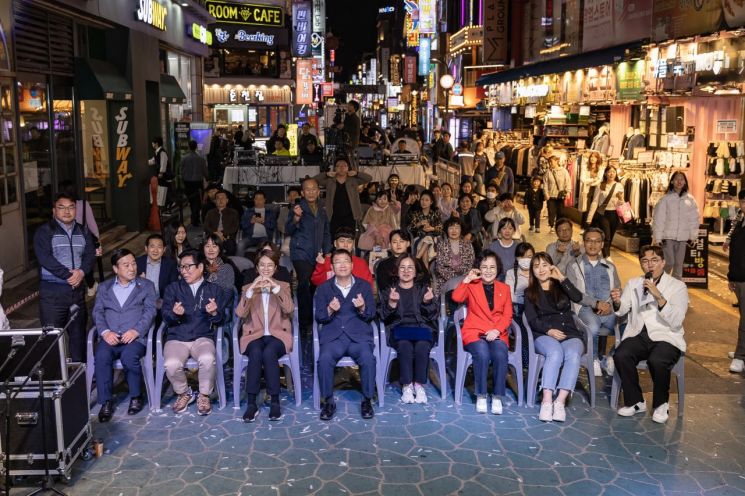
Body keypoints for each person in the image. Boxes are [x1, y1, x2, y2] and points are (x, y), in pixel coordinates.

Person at [611, 245, 688, 424]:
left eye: (654, 260)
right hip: (640, 334)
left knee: (657, 360)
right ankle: (636, 401)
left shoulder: (678, 286)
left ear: (663, 262)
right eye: (645, 261)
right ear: (641, 264)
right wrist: (616, 302)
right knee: (621, 354)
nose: (650, 265)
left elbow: (676, 321)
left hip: (666, 336)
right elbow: (622, 310)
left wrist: (659, 296)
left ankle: (661, 404)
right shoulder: (634, 283)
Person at [93, 248, 157, 422]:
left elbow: (150, 312)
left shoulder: (146, 286)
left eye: (134, 263)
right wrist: (105, 332)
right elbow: (98, 312)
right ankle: (106, 401)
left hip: (134, 338)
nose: (132, 268)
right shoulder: (105, 287)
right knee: (102, 356)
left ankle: (136, 396)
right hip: (110, 337)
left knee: (130, 357)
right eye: (126, 265)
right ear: (115, 269)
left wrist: (136, 330)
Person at [162, 250, 228, 415]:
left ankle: (204, 394)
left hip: (202, 337)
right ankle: (185, 393)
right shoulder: (173, 289)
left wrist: (214, 313)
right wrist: (174, 314)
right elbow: (165, 317)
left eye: (188, 267)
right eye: (181, 267)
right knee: (171, 364)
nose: (184, 271)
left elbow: (222, 320)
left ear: (200, 267)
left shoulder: (214, 290)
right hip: (177, 338)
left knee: (207, 358)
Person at [314, 249, 377, 420]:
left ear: (352, 264)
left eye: (345, 261)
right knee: (324, 359)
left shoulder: (364, 286)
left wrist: (363, 307)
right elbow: (319, 316)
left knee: (368, 358)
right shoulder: (323, 288)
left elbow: (371, 314)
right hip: (334, 337)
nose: (342, 265)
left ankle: (367, 400)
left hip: (359, 337)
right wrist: (329, 309)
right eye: (337, 261)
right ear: (332, 266)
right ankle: (328, 401)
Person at [34, 192, 95, 362]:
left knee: (78, 338)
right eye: (62, 208)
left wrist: (81, 272)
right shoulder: (44, 232)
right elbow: (45, 258)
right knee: (52, 339)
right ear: (54, 211)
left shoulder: (83, 230)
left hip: (76, 293)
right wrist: (69, 275)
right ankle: (56, 381)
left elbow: (90, 254)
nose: (67, 211)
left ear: (76, 210)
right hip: (52, 294)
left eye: (71, 207)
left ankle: (79, 380)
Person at [523, 252, 584, 422]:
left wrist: (562, 278)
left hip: (569, 332)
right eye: (536, 266)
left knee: (573, 354)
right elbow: (532, 319)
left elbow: (578, 298)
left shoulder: (561, 286)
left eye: (544, 265)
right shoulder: (529, 292)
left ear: (551, 266)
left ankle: (560, 402)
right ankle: (547, 401)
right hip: (544, 334)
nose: (541, 269)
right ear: (532, 271)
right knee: (555, 353)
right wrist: (549, 330)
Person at [235, 249, 295, 422]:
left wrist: (275, 288)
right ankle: (252, 403)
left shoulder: (282, 286)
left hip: (278, 335)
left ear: (275, 268)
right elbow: (240, 313)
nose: (266, 269)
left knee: (269, 352)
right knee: (255, 352)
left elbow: (289, 309)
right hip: (254, 335)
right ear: (257, 267)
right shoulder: (248, 288)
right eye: (262, 265)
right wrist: (252, 290)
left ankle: (275, 400)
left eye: (270, 265)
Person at [452, 250, 513, 414]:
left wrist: (497, 330)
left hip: (496, 332)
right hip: (474, 331)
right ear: (478, 268)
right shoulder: (472, 285)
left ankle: (498, 396)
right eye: (484, 266)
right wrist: (467, 279)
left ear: (498, 268)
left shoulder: (505, 288)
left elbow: (508, 315)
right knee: (483, 353)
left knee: (500, 353)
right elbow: (457, 298)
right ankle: (481, 395)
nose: (488, 270)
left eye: (492, 267)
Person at [378, 255, 439, 404]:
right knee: (405, 346)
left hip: (421, 329)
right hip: (398, 330)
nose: (406, 271)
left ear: (415, 271)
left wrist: (427, 302)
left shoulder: (423, 289)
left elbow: (434, 315)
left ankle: (418, 385)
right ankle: (406, 385)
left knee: (422, 346)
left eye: (410, 267)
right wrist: (391, 304)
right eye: (402, 268)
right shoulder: (389, 290)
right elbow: (382, 316)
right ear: (397, 271)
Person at [566, 228, 621, 377]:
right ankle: (594, 358)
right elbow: (575, 293)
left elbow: (617, 289)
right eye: (589, 240)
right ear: (584, 243)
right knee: (593, 326)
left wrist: (612, 303)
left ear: (602, 244)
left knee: (626, 324)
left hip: (608, 308)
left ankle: (611, 356)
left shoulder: (610, 266)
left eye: (597, 241)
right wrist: (596, 304)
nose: (593, 244)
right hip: (584, 308)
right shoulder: (574, 265)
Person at [286, 178, 331, 332]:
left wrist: (327, 250)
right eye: (307, 189)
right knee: (304, 281)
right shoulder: (297, 208)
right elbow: (288, 230)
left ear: (318, 191)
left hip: (317, 253)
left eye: (314, 189)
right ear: (302, 192)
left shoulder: (323, 209)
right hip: (300, 252)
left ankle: (314, 313)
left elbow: (326, 232)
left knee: (315, 284)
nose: (311, 192)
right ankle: (305, 323)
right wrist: (296, 218)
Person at [652, 171, 700, 280]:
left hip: (682, 238)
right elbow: (659, 219)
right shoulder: (665, 199)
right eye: (677, 179)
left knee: (678, 265)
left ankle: (675, 291)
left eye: (682, 179)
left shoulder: (690, 200)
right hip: (667, 237)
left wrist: (693, 236)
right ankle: (659, 283)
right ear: (672, 181)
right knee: (669, 262)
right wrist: (658, 237)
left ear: (685, 182)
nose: (679, 181)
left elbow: (694, 220)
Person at [314, 158, 373, 237]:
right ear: (335, 168)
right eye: (339, 166)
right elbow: (314, 180)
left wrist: (357, 173)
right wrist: (326, 174)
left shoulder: (353, 180)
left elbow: (369, 178)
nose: (341, 168)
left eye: (344, 166)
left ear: (348, 168)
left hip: (351, 214)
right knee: (333, 236)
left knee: (350, 236)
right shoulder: (330, 180)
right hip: (333, 214)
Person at [587, 165, 625, 258]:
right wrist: (589, 217)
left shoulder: (619, 186)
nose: (611, 174)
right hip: (603, 214)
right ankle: (607, 256)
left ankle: (603, 251)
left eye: (613, 172)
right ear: (605, 173)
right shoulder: (601, 185)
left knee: (610, 236)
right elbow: (595, 201)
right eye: (609, 172)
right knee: (606, 236)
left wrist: (620, 198)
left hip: (615, 214)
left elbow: (622, 203)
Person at [726, 190, 745, 373]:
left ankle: (741, 356)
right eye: (743, 201)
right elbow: (736, 251)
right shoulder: (740, 221)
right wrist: (731, 276)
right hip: (738, 277)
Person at [432, 217, 475, 297]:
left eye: (457, 228)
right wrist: (454, 280)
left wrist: (462, 280)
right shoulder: (441, 245)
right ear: (447, 230)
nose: (454, 231)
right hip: (446, 281)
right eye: (451, 228)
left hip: (465, 280)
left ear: (461, 230)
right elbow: (440, 267)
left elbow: (471, 264)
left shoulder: (467, 245)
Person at [136, 234, 179, 308]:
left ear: (164, 249)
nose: (155, 250)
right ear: (146, 248)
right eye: (152, 246)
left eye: (159, 247)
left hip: (161, 305)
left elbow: (173, 287)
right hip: (140, 305)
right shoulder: (137, 263)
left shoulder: (170, 264)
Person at [238, 190, 278, 255]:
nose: (258, 201)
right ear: (254, 200)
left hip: (265, 237)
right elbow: (242, 226)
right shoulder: (248, 212)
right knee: (240, 244)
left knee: (264, 247)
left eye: (261, 199)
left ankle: (262, 263)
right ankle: (239, 264)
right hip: (250, 237)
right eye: (256, 199)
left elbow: (273, 226)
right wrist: (251, 222)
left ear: (264, 200)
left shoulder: (270, 212)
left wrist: (263, 221)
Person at [204, 189, 240, 256]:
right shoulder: (210, 213)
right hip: (213, 237)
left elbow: (235, 227)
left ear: (227, 200)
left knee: (231, 248)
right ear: (215, 201)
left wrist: (222, 234)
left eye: (223, 198)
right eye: (218, 198)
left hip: (227, 237)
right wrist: (215, 233)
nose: (220, 200)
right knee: (204, 248)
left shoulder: (234, 213)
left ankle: (228, 264)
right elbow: (206, 226)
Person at [181, 140, 208, 227]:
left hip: (187, 183)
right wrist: (208, 178)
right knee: (197, 202)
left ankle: (194, 217)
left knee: (191, 200)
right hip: (198, 183)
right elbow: (205, 172)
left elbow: (182, 171)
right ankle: (195, 218)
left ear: (188, 147)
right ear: (196, 147)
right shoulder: (201, 159)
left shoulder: (184, 158)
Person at [543, 156, 572, 233]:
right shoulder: (548, 172)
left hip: (560, 195)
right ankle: (551, 226)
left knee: (560, 212)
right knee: (551, 212)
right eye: (549, 162)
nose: (550, 164)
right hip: (551, 196)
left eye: (551, 162)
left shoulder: (564, 171)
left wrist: (568, 192)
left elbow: (568, 182)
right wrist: (546, 193)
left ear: (556, 161)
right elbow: (545, 183)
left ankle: (559, 226)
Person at [148, 136, 174, 209]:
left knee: (165, 189)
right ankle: (165, 205)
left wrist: (161, 172)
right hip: (161, 175)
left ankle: (169, 204)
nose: (152, 144)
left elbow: (163, 162)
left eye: (153, 143)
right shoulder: (157, 152)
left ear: (156, 143)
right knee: (163, 189)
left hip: (164, 175)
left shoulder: (161, 152)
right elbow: (153, 161)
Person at [579, 152, 603, 227]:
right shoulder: (585, 167)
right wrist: (593, 180)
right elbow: (583, 179)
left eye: (595, 157)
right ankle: (584, 226)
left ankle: (592, 225)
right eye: (591, 157)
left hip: (597, 189)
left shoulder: (601, 168)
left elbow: (600, 179)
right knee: (586, 207)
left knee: (595, 206)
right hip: (587, 189)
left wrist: (590, 181)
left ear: (598, 159)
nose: (592, 158)